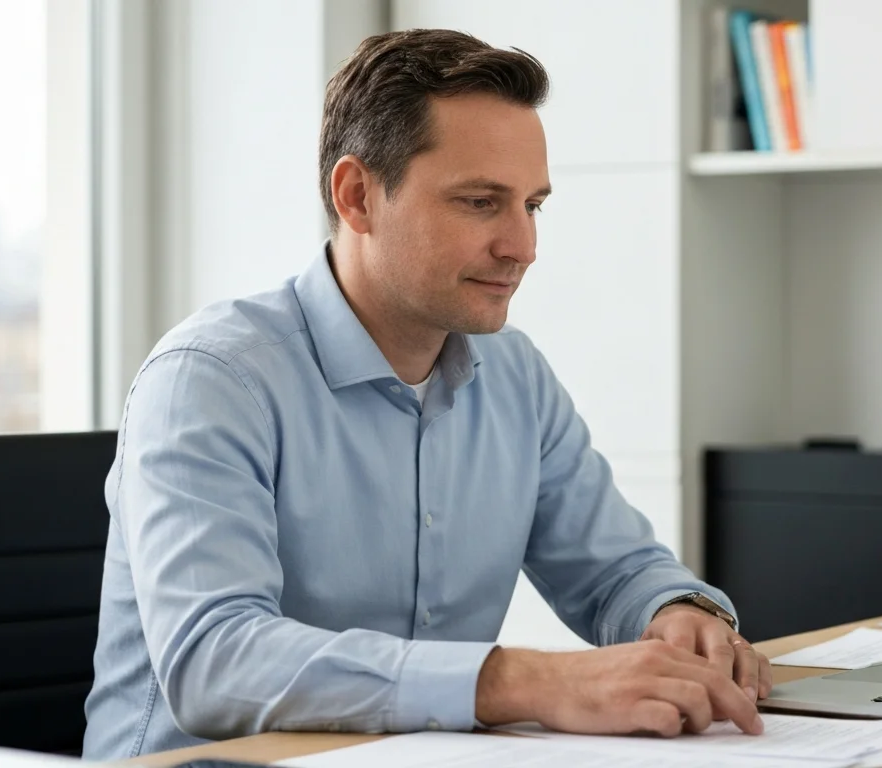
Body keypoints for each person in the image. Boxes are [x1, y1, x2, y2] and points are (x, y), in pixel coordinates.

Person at [81, 28, 772, 760]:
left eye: (532, 205)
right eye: (481, 202)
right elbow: (215, 662)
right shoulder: (212, 378)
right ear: (357, 198)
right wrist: (519, 678)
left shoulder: (514, 375)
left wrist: (680, 612)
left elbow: (619, 570)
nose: (523, 246)